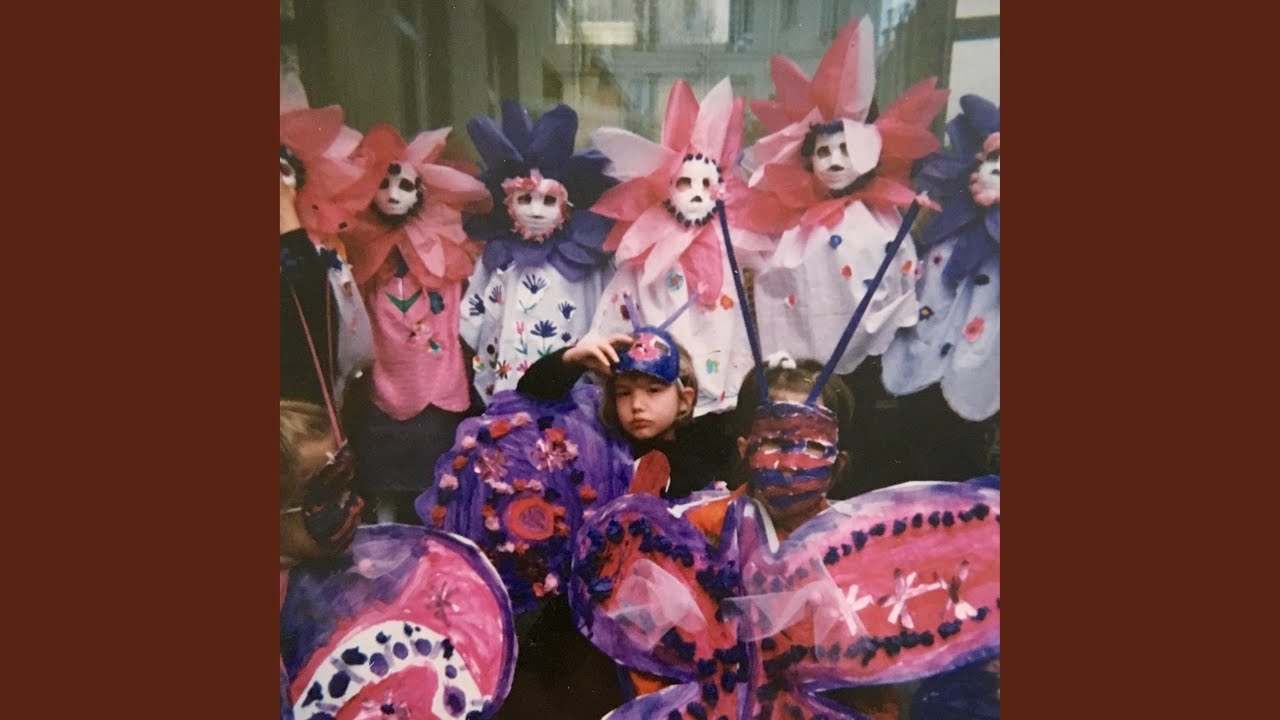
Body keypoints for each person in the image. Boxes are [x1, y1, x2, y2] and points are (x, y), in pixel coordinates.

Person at [518, 325, 740, 500]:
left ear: (685, 400)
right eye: (624, 393)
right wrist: (572, 361)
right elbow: (531, 396)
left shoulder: (697, 474)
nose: (636, 405)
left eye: (653, 390)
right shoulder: (601, 446)